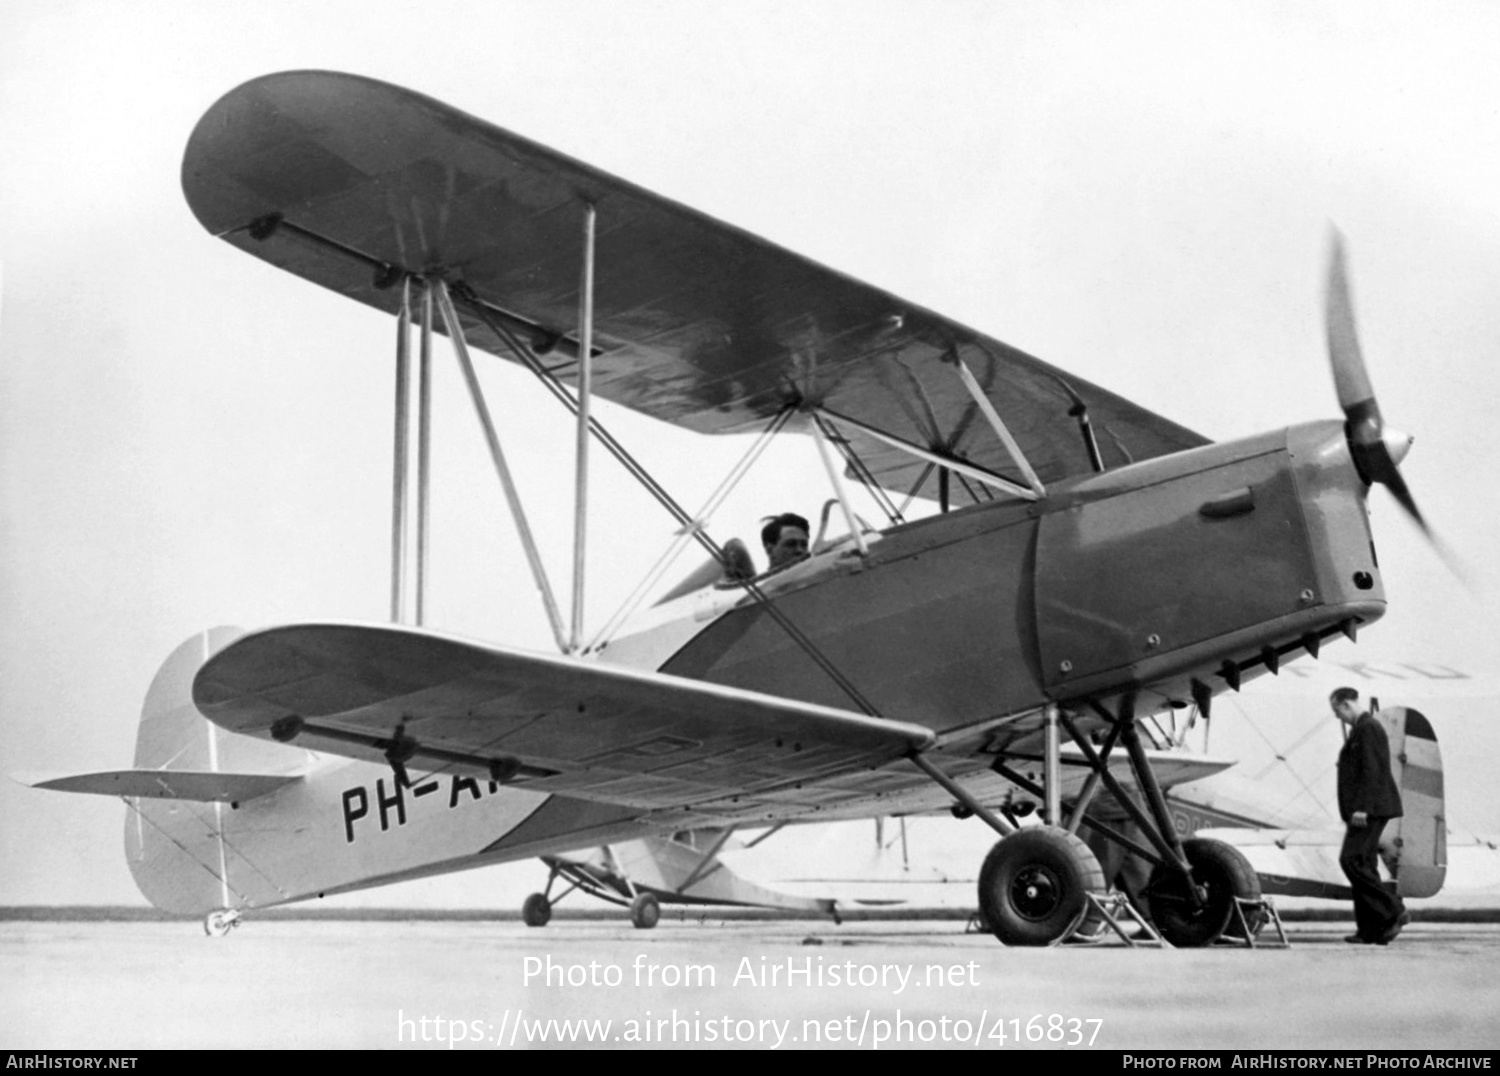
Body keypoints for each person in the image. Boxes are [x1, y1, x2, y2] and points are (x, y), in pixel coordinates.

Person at [1330, 686, 1409, 945]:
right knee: (1363, 863)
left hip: (1369, 810)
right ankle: (1371, 930)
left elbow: (1373, 770)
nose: (1337, 717)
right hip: (1366, 809)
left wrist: (1362, 807)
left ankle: (1393, 909)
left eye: (1337, 711)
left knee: (1351, 860)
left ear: (1346, 705)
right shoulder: (1362, 729)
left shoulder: (1368, 728)